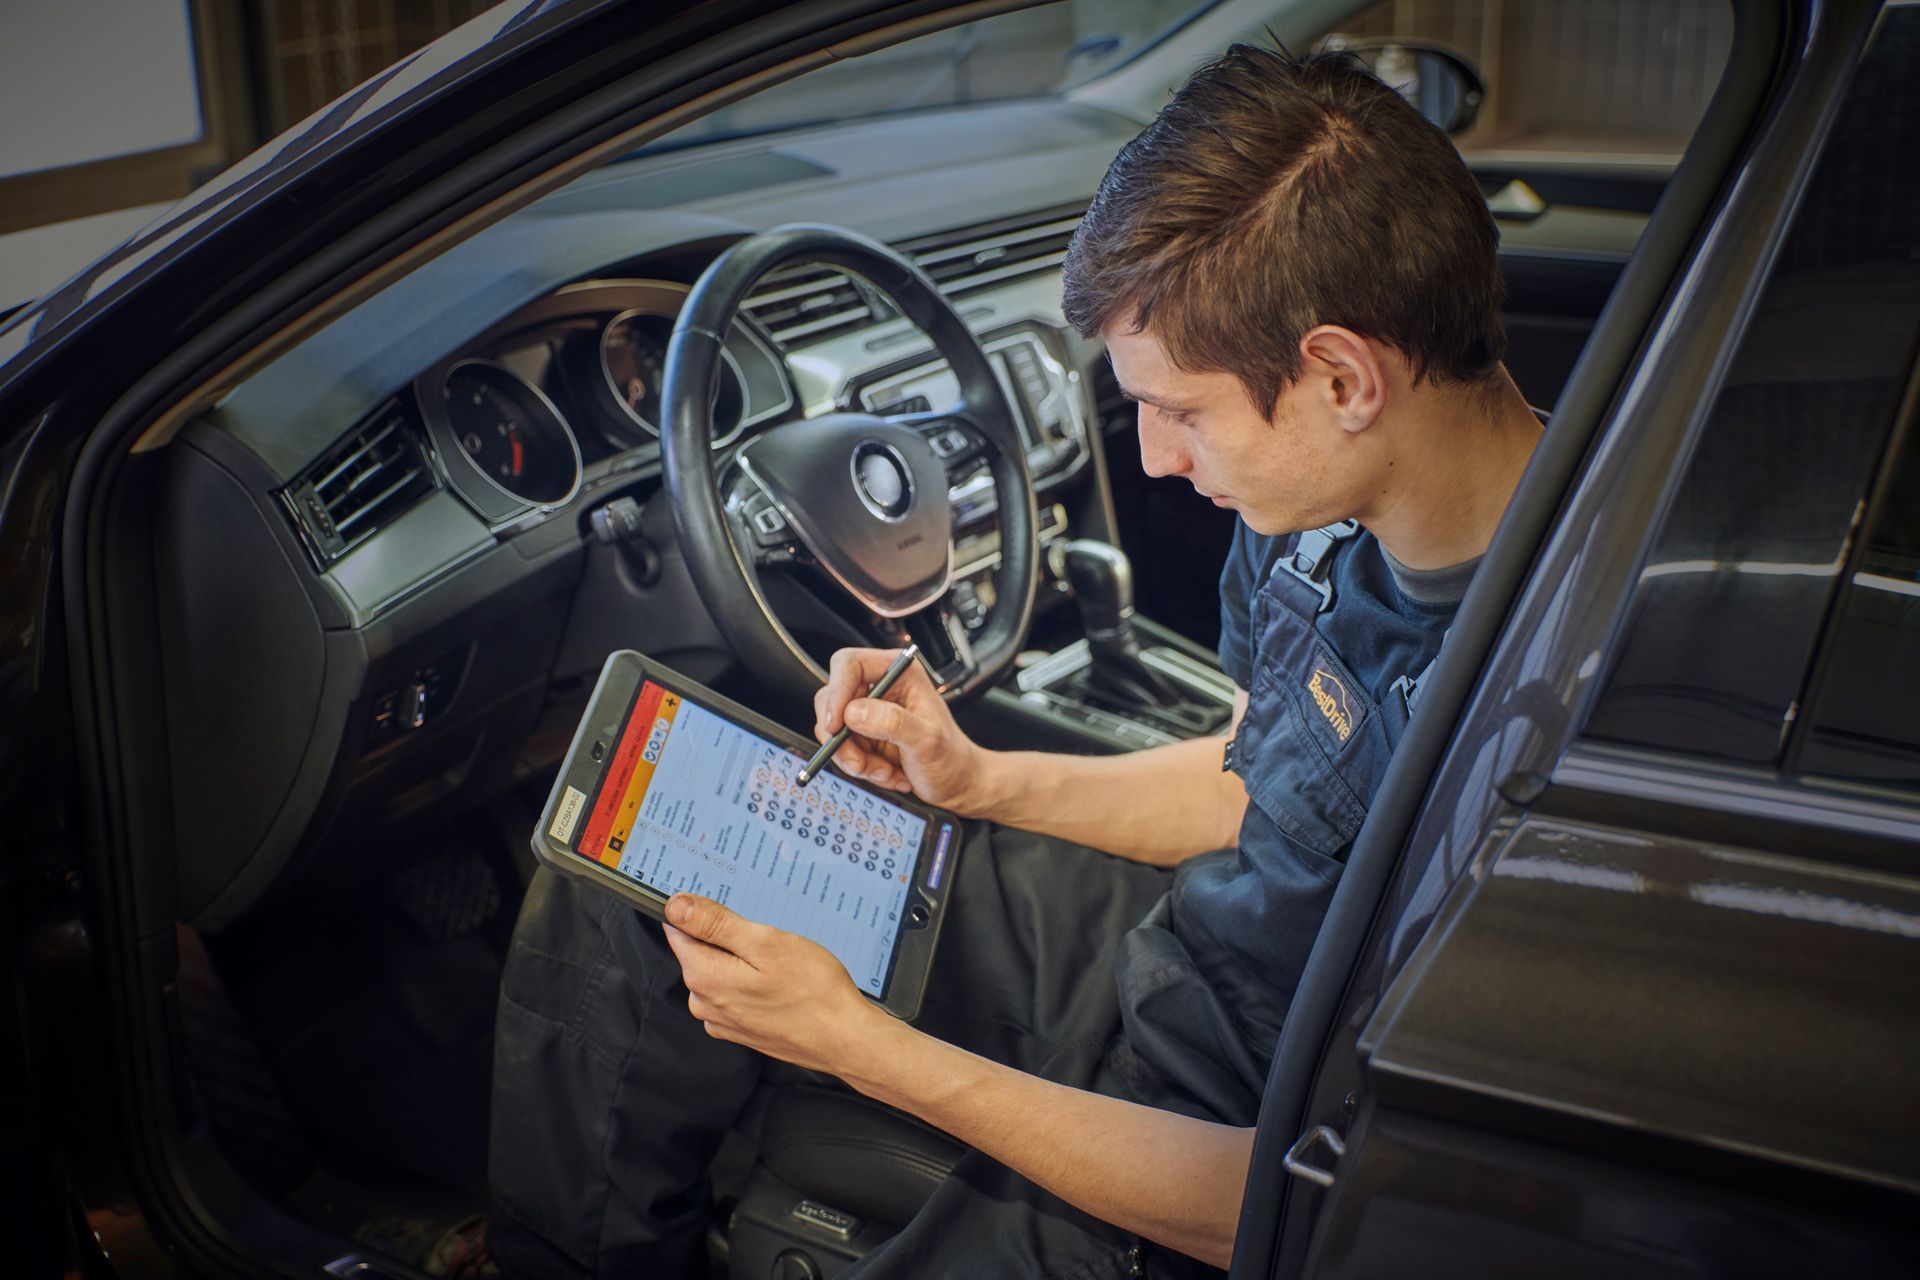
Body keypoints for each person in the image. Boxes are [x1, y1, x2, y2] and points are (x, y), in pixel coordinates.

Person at [487, 43, 1544, 1279]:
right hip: (1164, 943)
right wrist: (978, 778)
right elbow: (1256, 779)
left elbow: (1299, 1198)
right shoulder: (1315, 518)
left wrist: (866, 1048)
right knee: (650, 857)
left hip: (1227, 1130)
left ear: (1341, 376)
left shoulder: (1542, 718)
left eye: (1183, 411)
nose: (1152, 456)